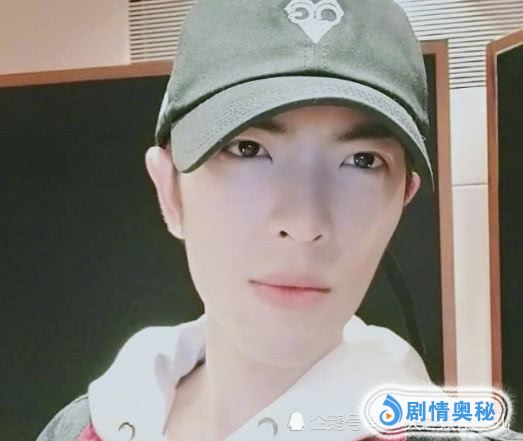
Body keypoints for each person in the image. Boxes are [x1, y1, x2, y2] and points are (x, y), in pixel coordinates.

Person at [36, 0, 454, 440]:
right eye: (247, 149)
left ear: (400, 203)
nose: (304, 222)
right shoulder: (77, 430)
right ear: (170, 190)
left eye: (362, 160)